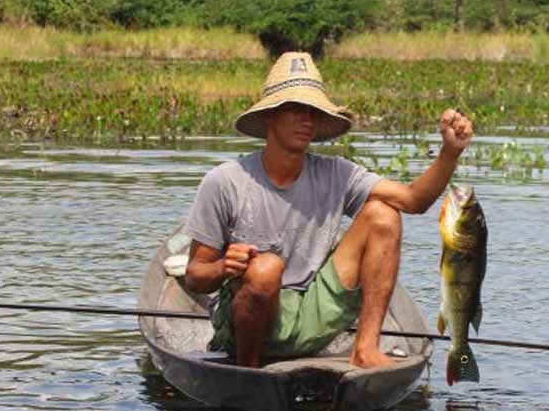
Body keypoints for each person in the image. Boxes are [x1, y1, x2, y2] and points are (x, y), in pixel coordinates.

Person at [182, 51, 473, 369]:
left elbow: (413, 200)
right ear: (269, 117)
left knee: (384, 214)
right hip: (249, 322)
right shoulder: (225, 181)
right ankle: (248, 369)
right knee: (266, 270)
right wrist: (224, 266)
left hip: (313, 311)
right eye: (295, 109)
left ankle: (365, 348)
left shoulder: (336, 173)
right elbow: (195, 277)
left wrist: (449, 153)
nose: (307, 120)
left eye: (313, 112)